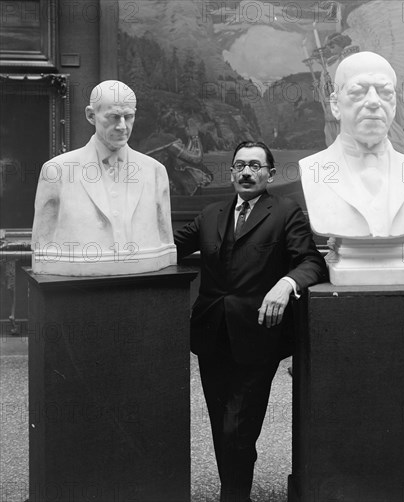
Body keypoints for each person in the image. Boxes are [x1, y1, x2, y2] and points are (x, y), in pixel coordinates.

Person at [174, 141, 327, 502]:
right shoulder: (211, 214)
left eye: (256, 166)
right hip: (211, 334)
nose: (246, 172)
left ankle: (234, 494)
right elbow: (169, 245)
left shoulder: (286, 212)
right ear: (231, 172)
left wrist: (285, 284)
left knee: (239, 425)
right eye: (240, 165)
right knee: (220, 420)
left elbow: (312, 262)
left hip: (259, 334)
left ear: (270, 174)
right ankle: (234, 487)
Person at [31, 80, 176, 275]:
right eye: (114, 117)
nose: (122, 126)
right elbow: (43, 243)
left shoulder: (155, 171)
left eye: (129, 116)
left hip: (146, 280)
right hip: (74, 286)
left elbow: (165, 237)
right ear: (91, 115)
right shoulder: (57, 171)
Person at [299, 51, 404, 238]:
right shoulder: (313, 169)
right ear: (335, 105)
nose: (373, 102)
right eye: (358, 92)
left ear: (394, 105)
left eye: (385, 93)